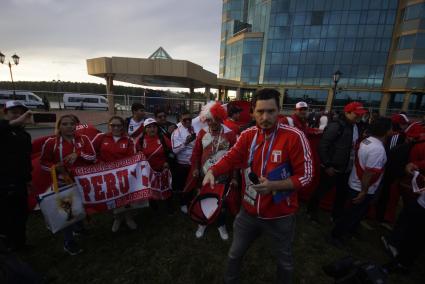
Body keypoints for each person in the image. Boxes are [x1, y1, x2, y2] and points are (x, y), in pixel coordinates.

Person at [203, 89, 313, 283]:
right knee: (234, 255)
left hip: (281, 214)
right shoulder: (247, 135)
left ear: (279, 111)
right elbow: (231, 157)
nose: (265, 117)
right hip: (249, 211)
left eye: (271, 111)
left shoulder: (294, 136)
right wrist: (213, 171)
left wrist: (275, 185)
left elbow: (306, 176)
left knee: (284, 261)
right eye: (260, 112)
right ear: (253, 112)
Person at [330, 118, 392, 246]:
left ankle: (347, 232)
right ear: (385, 131)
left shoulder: (368, 141)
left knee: (353, 213)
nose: (393, 131)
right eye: (391, 128)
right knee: (351, 214)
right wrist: (364, 191)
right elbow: (369, 173)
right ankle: (336, 236)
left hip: (356, 183)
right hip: (361, 187)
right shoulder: (378, 149)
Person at [40, 114, 96, 256]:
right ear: (59, 127)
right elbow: (43, 163)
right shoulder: (51, 142)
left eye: (72, 124)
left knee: (80, 205)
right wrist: (55, 167)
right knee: (67, 212)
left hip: (81, 180)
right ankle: (68, 242)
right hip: (62, 182)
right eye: (65, 124)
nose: (69, 126)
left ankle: (79, 228)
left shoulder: (84, 139)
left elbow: (93, 156)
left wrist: (78, 154)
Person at [307, 102, 367, 223]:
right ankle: (311, 211)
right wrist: (327, 165)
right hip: (333, 167)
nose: (359, 117)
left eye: (361, 115)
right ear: (347, 112)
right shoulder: (336, 126)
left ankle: (336, 215)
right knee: (321, 191)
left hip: (347, 168)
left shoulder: (355, 126)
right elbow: (322, 146)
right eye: (357, 114)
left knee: (342, 194)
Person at [190, 102, 237, 240]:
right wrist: (196, 169)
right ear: (205, 119)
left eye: (216, 119)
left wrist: (234, 176)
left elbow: (235, 158)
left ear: (221, 118)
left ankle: (221, 225)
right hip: (204, 175)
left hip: (223, 176)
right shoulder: (202, 132)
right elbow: (197, 153)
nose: (213, 123)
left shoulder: (230, 134)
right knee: (202, 198)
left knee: (221, 202)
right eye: (209, 119)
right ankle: (202, 223)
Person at [91, 116, 138, 232]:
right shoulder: (101, 137)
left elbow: (133, 157)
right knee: (112, 198)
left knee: (126, 198)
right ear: (109, 126)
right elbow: (91, 152)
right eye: (113, 125)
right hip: (107, 176)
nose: (116, 128)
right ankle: (117, 218)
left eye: (119, 125)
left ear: (123, 127)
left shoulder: (128, 140)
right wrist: (98, 162)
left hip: (124, 175)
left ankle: (128, 218)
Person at [0, 101, 32, 251]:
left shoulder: (25, 135)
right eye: (14, 112)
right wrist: (13, 123)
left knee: (21, 213)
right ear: (5, 114)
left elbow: (25, 159)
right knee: (6, 216)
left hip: (20, 182)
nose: (18, 116)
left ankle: (20, 243)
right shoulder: (3, 129)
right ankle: (7, 245)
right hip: (4, 182)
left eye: (21, 113)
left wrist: (28, 179)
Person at [138, 118, 174, 213]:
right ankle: (154, 206)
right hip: (148, 171)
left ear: (157, 128)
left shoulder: (163, 138)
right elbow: (136, 155)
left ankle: (169, 207)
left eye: (154, 126)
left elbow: (171, 152)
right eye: (149, 127)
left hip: (163, 169)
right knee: (151, 189)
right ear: (145, 129)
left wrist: (167, 162)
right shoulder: (141, 141)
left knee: (166, 188)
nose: (152, 129)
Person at [171, 110, 196, 214]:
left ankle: (190, 201)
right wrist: (186, 142)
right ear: (180, 120)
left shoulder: (193, 128)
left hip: (193, 163)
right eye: (184, 120)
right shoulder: (176, 132)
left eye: (189, 119)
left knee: (191, 184)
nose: (187, 121)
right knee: (183, 185)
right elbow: (175, 150)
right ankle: (183, 203)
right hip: (182, 164)